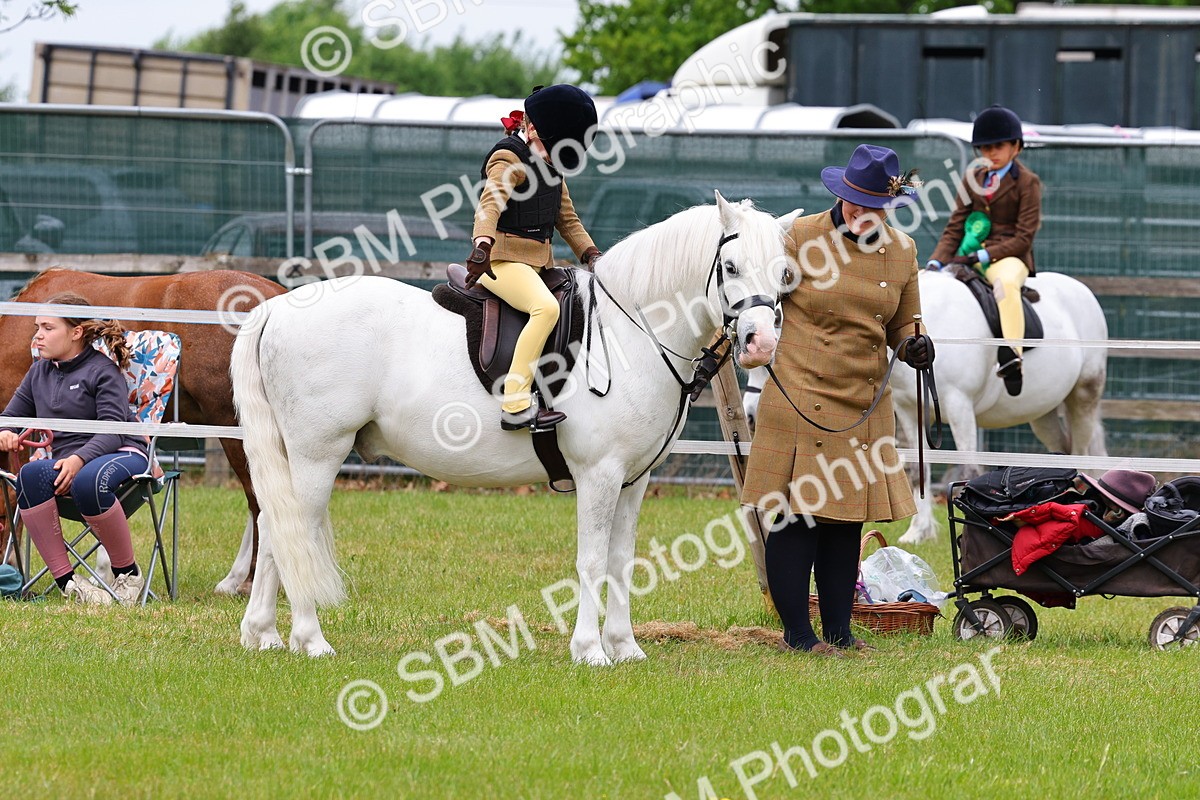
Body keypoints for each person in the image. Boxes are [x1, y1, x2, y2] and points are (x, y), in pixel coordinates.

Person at [742, 144, 931, 656]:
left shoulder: (904, 251)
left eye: (872, 206)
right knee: (798, 519)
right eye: (853, 201)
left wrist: (914, 343)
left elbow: (903, 324)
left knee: (846, 525)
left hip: (862, 401)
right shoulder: (799, 237)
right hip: (800, 394)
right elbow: (757, 300)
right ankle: (799, 637)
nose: (860, 213)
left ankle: (840, 634)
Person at [465, 84, 603, 431]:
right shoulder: (509, 158)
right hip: (500, 261)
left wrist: (592, 255)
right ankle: (515, 402)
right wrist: (482, 243)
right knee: (546, 308)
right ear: (533, 129)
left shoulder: (553, 166)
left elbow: (567, 219)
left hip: (539, 263)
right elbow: (490, 203)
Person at [0, 293, 147, 605]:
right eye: (37, 327)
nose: (37, 335)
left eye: (48, 328)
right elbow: (10, 417)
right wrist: (6, 432)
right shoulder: (38, 371)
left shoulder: (102, 370)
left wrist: (79, 459)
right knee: (28, 476)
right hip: (68, 463)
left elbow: (114, 431)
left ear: (76, 332)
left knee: (87, 480)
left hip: (123, 453)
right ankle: (69, 584)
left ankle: (128, 577)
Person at [928, 105, 1042, 396]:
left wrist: (983, 255)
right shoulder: (973, 179)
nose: (991, 153)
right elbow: (956, 226)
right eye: (985, 148)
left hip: (1009, 257)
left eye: (998, 146)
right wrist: (935, 262)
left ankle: (1013, 357)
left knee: (1004, 287)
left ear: (1016, 146)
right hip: (968, 255)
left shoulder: (1027, 183)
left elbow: (1024, 237)